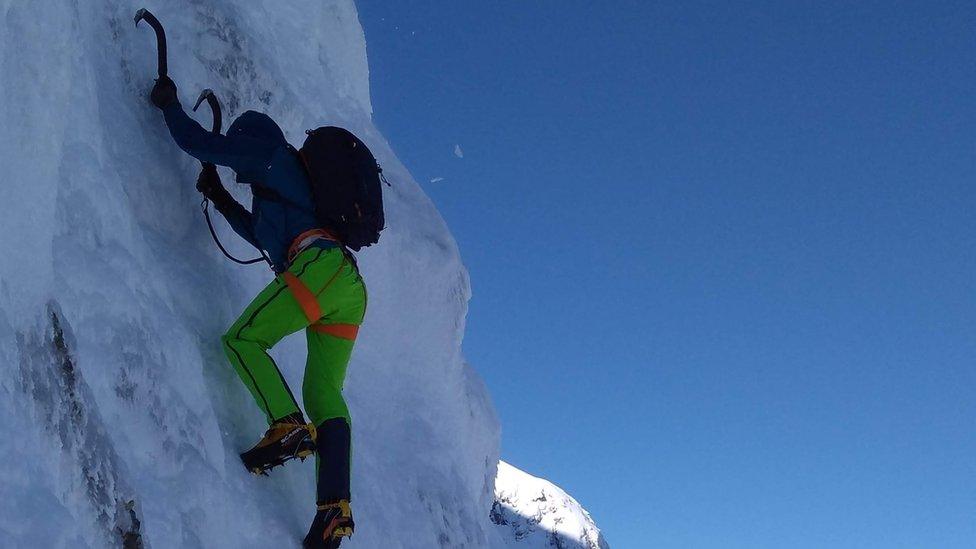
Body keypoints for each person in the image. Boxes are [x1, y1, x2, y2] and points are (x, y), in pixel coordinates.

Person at [150, 75, 362, 549]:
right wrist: (221, 197)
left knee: (243, 339)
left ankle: (286, 426)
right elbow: (257, 237)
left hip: (321, 268)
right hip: (346, 287)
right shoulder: (278, 194)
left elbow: (197, 140)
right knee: (324, 391)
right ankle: (334, 508)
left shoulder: (270, 154)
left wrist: (169, 104)